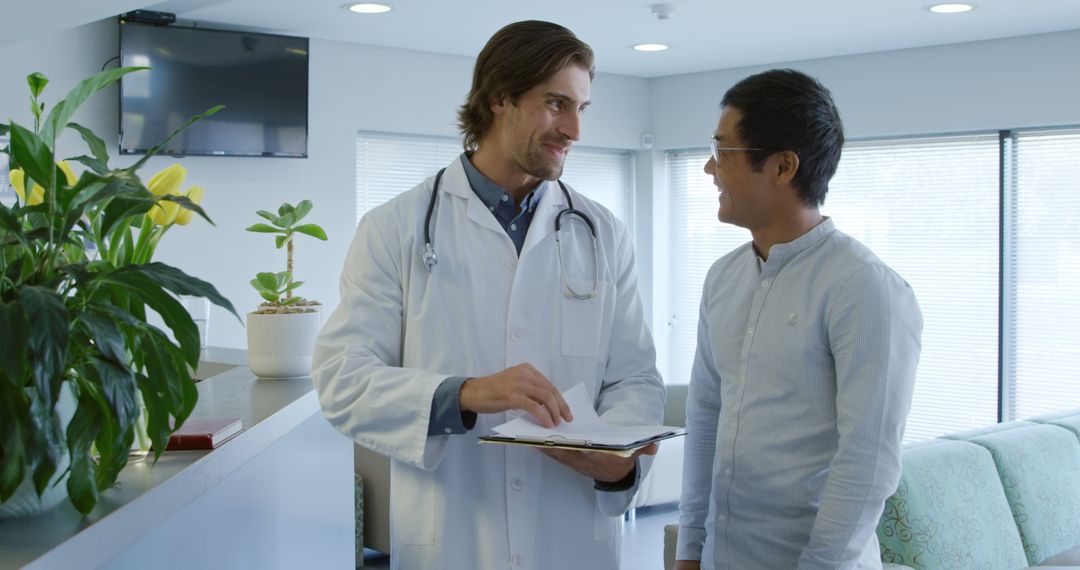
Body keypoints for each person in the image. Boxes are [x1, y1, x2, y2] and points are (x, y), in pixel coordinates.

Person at [312, 20, 664, 570]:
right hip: (454, 541)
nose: (573, 129)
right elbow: (342, 380)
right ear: (500, 98)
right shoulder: (395, 227)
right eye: (556, 104)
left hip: (571, 539)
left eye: (581, 108)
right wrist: (467, 394)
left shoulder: (602, 233)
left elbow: (635, 376)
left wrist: (616, 462)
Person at [674, 69, 923, 570]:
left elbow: (867, 461)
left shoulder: (863, 285)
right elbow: (704, 417)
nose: (708, 168)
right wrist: (689, 548)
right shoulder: (721, 278)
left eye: (723, 152)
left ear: (784, 167)